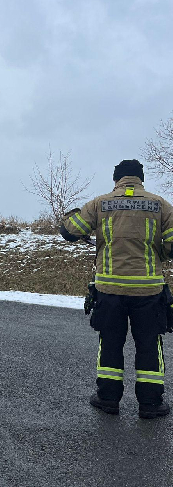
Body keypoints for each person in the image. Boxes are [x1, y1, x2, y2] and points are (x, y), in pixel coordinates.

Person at [60, 159, 173, 418]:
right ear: (140, 179)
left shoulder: (101, 203)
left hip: (109, 290)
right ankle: (151, 404)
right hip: (148, 291)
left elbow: (69, 231)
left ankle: (108, 399)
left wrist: (72, 216)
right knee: (148, 345)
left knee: (110, 343)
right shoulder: (160, 205)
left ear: (116, 179)